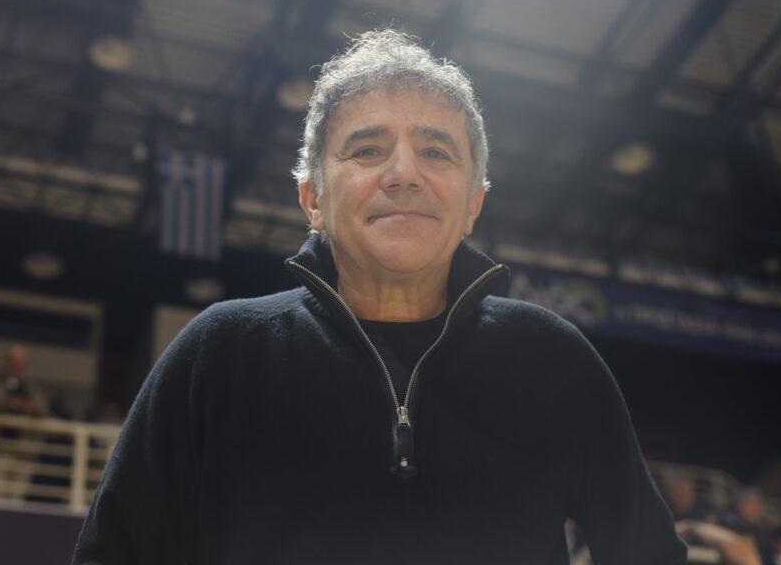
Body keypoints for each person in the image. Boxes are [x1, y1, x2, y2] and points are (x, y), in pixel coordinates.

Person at [73, 29, 687, 564]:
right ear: (313, 198)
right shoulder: (218, 354)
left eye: (436, 152)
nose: (404, 173)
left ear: (473, 204)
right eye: (368, 150)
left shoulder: (552, 359)